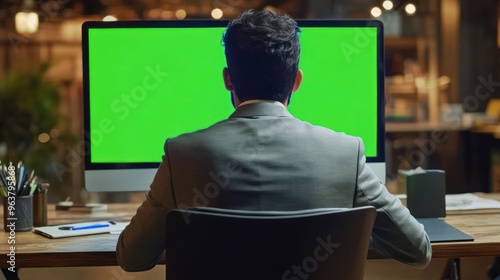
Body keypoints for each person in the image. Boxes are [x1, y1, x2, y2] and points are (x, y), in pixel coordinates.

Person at [116, 10, 431, 272]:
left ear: (228, 78)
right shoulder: (346, 153)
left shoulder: (181, 155)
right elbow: (418, 249)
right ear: (297, 81)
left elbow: (132, 257)